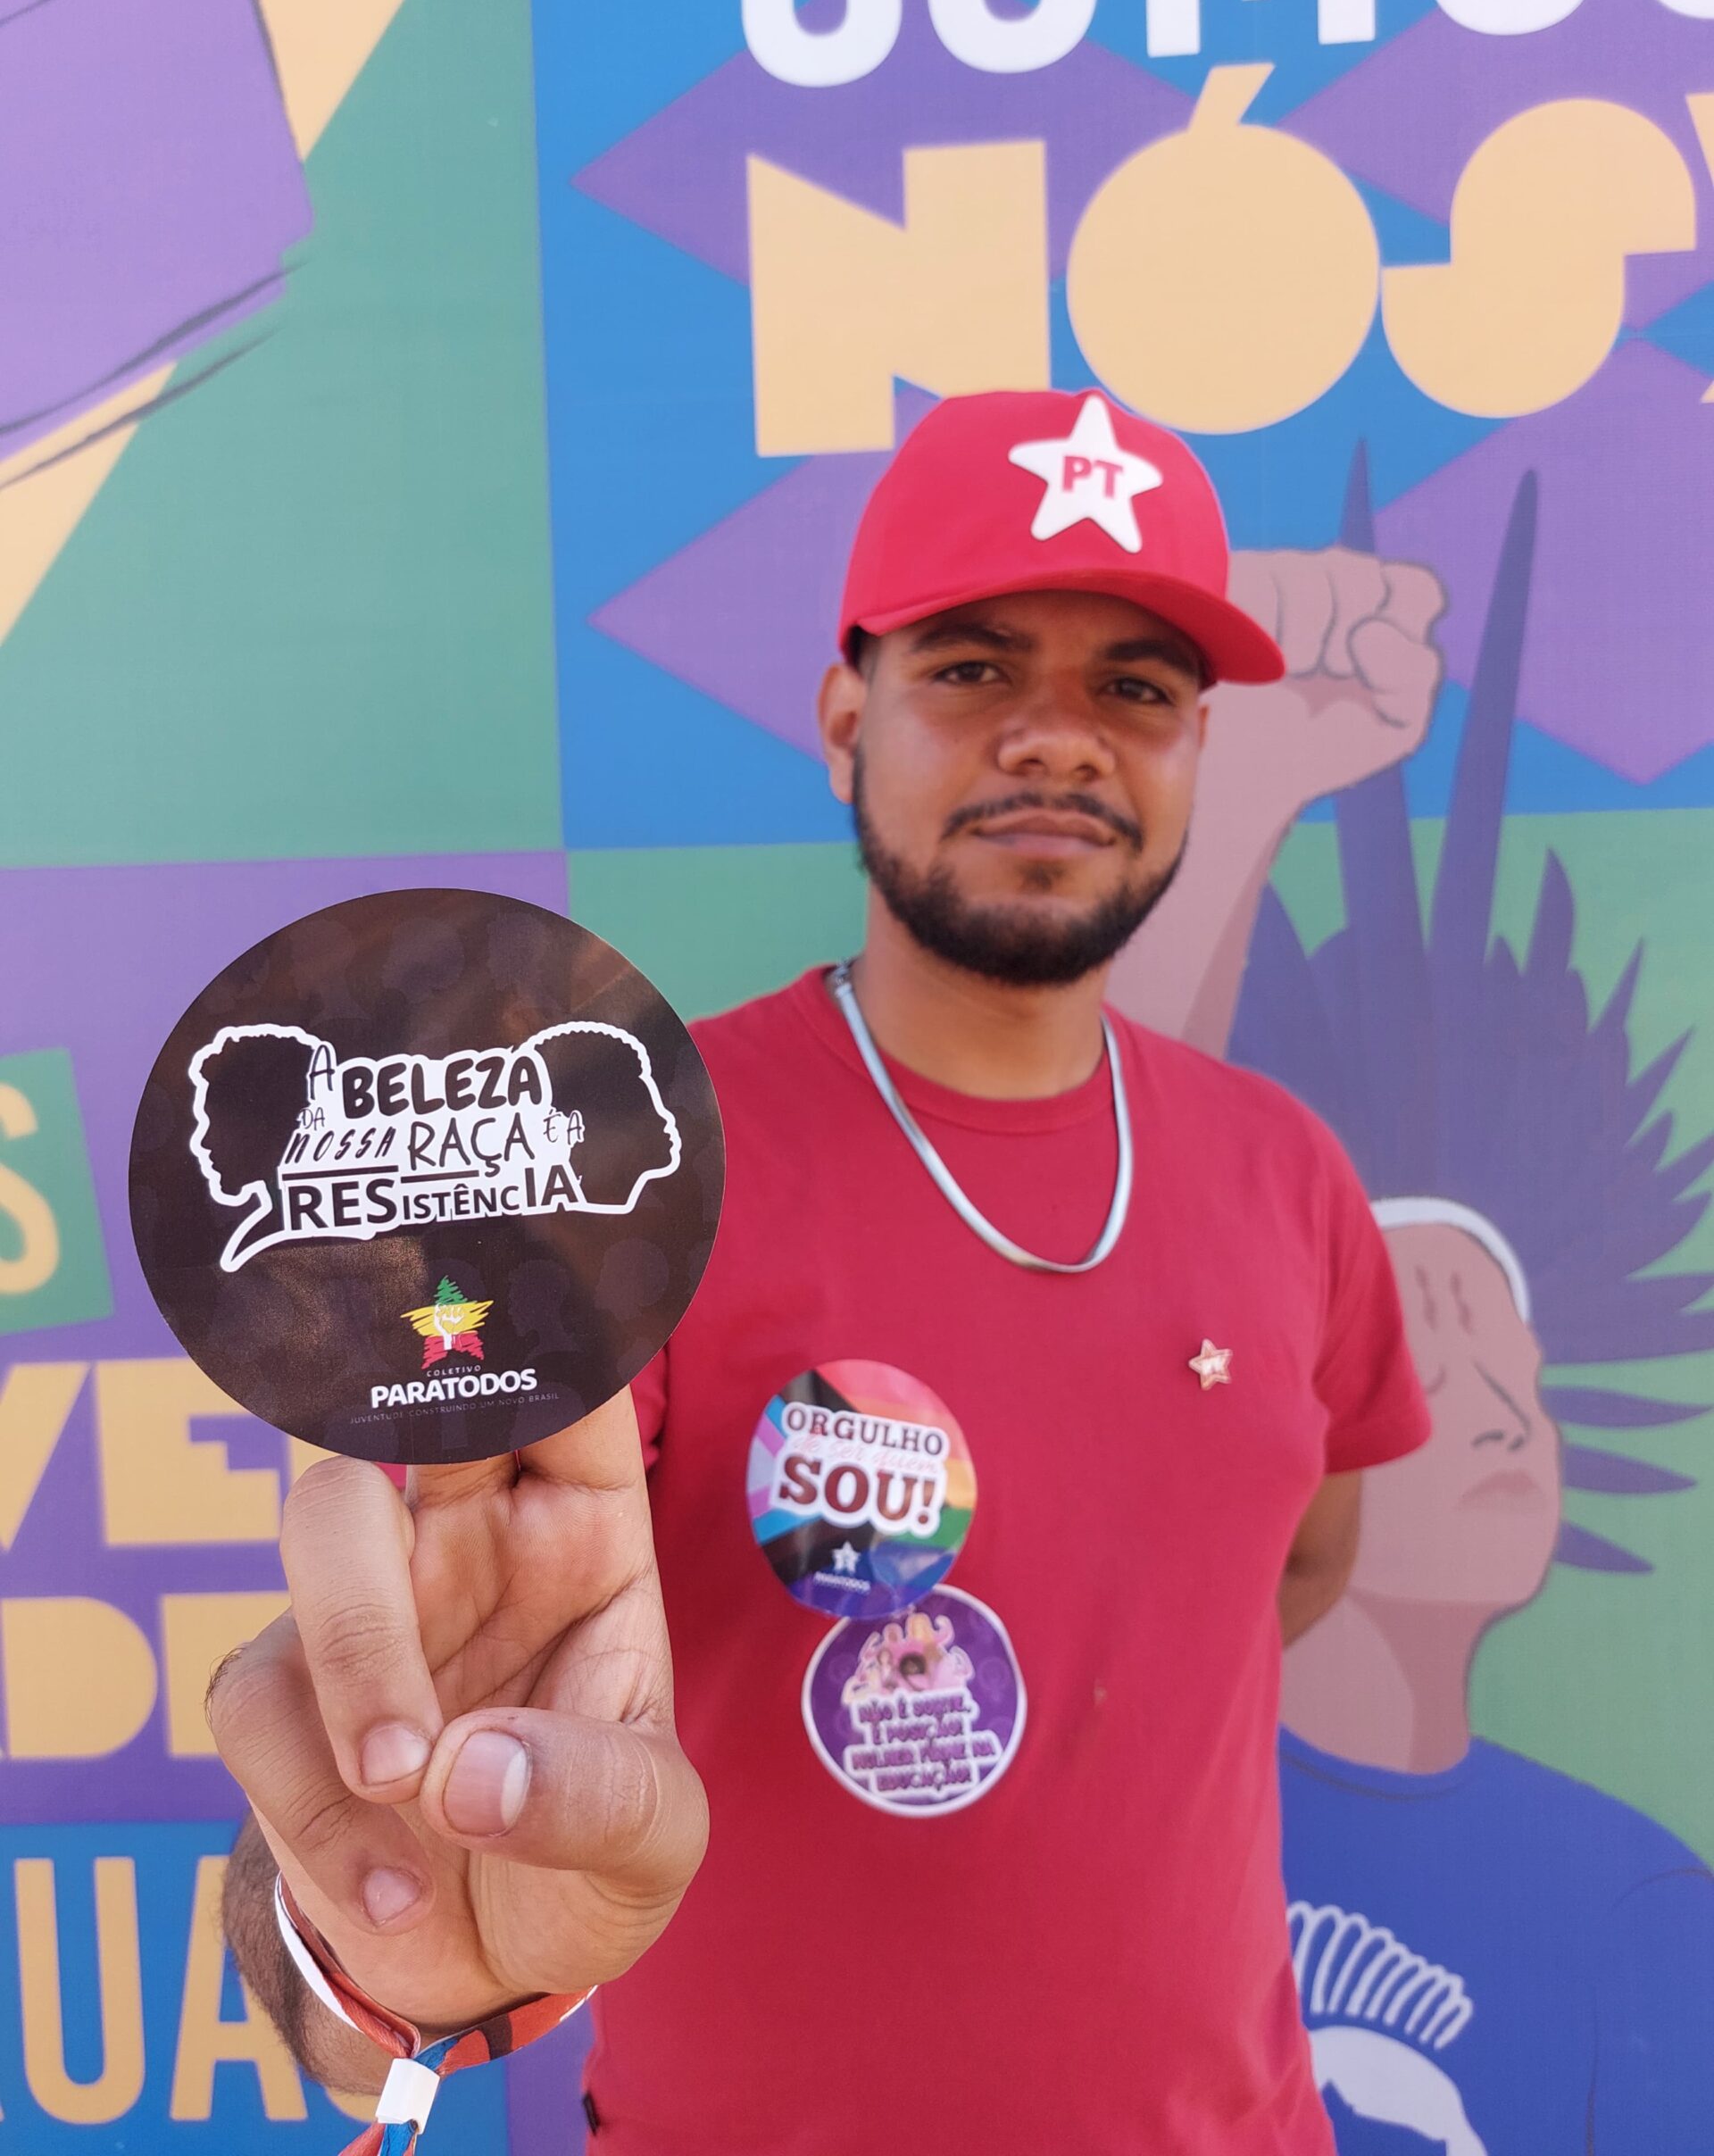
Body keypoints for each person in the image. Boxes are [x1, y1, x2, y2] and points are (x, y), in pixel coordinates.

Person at [209, 387, 1440, 2154]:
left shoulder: (1288, 1174)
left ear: (1195, 751)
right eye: (976, 669)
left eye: (1135, 689)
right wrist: (381, 1926)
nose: (1058, 738)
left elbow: (1292, 1562)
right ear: (848, 719)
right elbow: (441, 1690)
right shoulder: (620, 1182)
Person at [1222, 475, 1714, 2152]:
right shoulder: (1135, 1817)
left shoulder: (1641, 1902)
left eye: (1522, 1372)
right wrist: (1246, 796)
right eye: (1432, 1360)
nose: (1509, 1418)